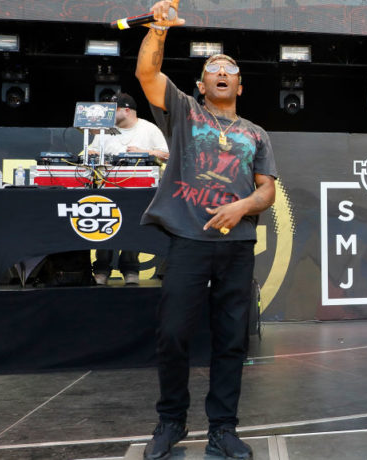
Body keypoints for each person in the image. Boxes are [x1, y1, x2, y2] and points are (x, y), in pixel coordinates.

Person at [135, 2, 277, 459]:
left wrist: (243, 206)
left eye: (229, 69)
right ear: (201, 84)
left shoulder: (255, 133)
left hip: (237, 246)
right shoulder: (184, 111)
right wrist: (158, 30)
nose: (221, 73)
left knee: (232, 340)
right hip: (189, 241)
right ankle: (171, 422)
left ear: (240, 85)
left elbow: (267, 190)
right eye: (213, 68)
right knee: (173, 333)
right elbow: (146, 74)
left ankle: (223, 428)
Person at [88, 92, 170, 285]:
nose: (108, 114)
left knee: (133, 228)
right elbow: (91, 150)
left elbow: (167, 154)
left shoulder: (149, 128)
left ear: (126, 110)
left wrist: (145, 152)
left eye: (113, 110)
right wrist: (91, 151)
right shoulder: (104, 131)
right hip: (108, 187)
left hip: (138, 190)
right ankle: (102, 269)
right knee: (105, 226)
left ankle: (130, 268)